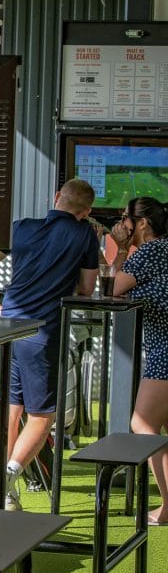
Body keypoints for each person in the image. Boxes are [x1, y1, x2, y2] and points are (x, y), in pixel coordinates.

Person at [0, 178, 100, 510]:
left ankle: (0, 486)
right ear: (85, 212)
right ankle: (8, 479)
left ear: (56, 197)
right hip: (43, 333)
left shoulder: (20, 227)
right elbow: (86, 290)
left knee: (10, 410)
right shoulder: (84, 234)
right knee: (42, 417)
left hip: (7, 328)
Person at [106, 196, 168, 525]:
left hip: (165, 352)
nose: (122, 224)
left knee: (142, 425)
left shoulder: (149, 252)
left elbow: (110, 288)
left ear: (141, 223)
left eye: (126, 218)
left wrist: (117, 246)